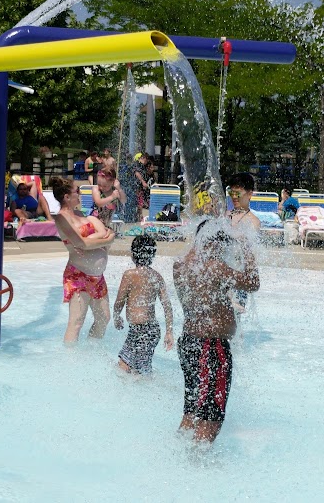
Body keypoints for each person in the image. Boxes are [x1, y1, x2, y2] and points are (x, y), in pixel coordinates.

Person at [173, 219, 260, 443]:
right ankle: (199, 469)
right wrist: (248, 248)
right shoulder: (215, 266)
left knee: (191, 412)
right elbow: (253, 282)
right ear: (214, 241)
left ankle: (179, 457)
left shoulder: (181, 265)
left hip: (189, 344)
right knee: (210, 420)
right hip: (211, 348)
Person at [53, 176, 115, 343]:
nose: (79, 194)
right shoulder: (61, 219)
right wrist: (106, 239)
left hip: (97, 277)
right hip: (78, 275)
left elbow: (99, 237)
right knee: (76, 322)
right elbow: (82, 243)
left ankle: (91, 351)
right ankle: (70, 361)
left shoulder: (80, 214)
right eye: (77, 191)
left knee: (104, 318)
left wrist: (102, 237)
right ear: (67, 196)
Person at [114, 235, 174, 374]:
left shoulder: (129, 275)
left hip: (142, 330)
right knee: (132, 368)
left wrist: (116, 316)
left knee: (131, 370)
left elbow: (119, 301)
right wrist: (169, 332)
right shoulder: (156, 276)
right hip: (150, 330)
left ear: (133, 254)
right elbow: (167, 306)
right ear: (152, 255)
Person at [226, 172, 260, 312]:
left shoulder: (253, 222)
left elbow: (249, 255)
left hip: (239, 275)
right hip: (222, 272)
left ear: (249, 194)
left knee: (235, 316)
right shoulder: (225, 216)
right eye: (231, 192)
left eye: (238, 193)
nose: (234, 197)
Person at [132, 152, 149, 221]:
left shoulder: (141, 165)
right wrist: (143, 182)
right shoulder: (138, 164)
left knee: (140, 202)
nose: (147, 162)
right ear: (144, 158)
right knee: (138, 202)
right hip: (136, 186)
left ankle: (139, 216)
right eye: (146, 160)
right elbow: (137, 173)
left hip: (139, 187)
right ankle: (138, 216)